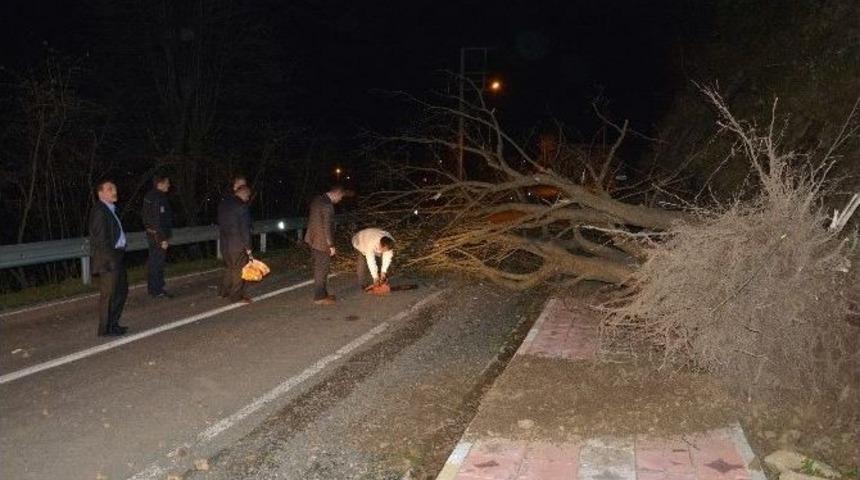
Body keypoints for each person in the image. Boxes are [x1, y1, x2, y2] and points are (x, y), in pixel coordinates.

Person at [88, 180, 129, 336]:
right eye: (110, 189)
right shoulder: (99, 210)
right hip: (109, 259)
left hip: (117, 256)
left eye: (115, 188)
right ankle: (105, 329)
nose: (114, 191)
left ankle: (113, 324)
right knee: (109, 295)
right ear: (100, 193)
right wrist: (110, 260)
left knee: (121, 291)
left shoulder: (110, 209)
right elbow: (100, 239)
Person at [304, 185, 345, 305]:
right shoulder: (328, 205)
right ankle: (319, 297)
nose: (340, 200)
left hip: (312, 238)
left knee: (319, 267)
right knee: (322, 269)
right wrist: (331, 245)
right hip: (321, 242)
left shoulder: (317, 199)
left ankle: (323, 293)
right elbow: (327, 227)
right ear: (337, 193)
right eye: (340, 197)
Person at [217, 185, 253, 303]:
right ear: (244, 193)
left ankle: (223, 291)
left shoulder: (224, 204)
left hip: (224, 243)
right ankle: (236, 296)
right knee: (239, 270)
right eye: (248, 196)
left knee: (230, 267)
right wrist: (248, 247)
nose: (248, 199)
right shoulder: (242, 206)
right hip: (237, 244)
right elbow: (244, 229)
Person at [142, 174, 174, 298]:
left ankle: (153, 288)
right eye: (167, 182)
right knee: (158, 262)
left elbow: (147, 218)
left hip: (152, 234)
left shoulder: (150, 196)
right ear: (160, 184)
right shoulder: (158, 197)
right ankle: (157, 289)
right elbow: (157, 219)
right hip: (157, 236)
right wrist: (162, 239)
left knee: (154, 262)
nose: (169, 185)